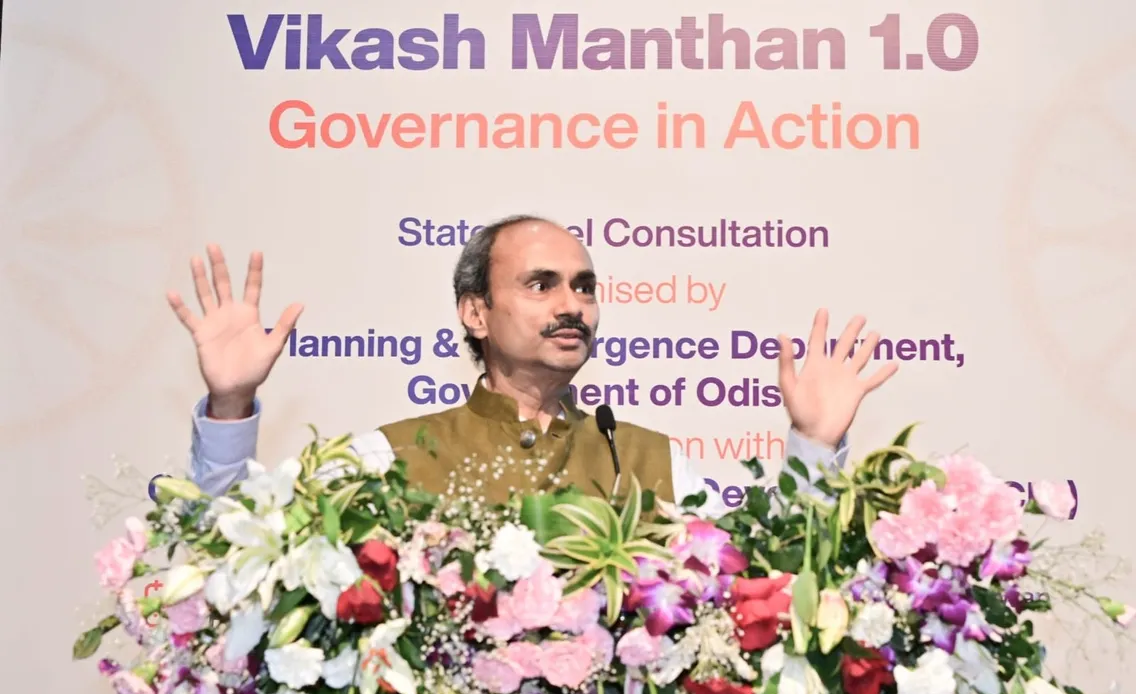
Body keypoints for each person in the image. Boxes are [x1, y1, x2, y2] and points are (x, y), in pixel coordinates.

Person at [169, 215, 898, 517]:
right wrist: (230, 405)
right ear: (476, 312)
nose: (572, 305)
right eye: (541, 285)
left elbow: (773, 585)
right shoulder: (386, 457)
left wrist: (815, 447)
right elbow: (229, 550)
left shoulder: (653, 462)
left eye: (584, 287)